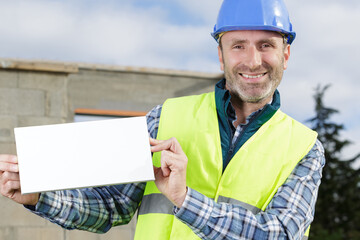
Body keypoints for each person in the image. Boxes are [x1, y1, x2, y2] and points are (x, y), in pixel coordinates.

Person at [0, 0, 325, 239]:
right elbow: (113, 207)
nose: (253, 61)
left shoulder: (304, 148)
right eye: (238, 45)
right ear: (221, 54)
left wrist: (184, 199)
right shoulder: (165, 116)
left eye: (266, 45)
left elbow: (281, 234)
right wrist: (40, 196)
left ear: (285, 54)